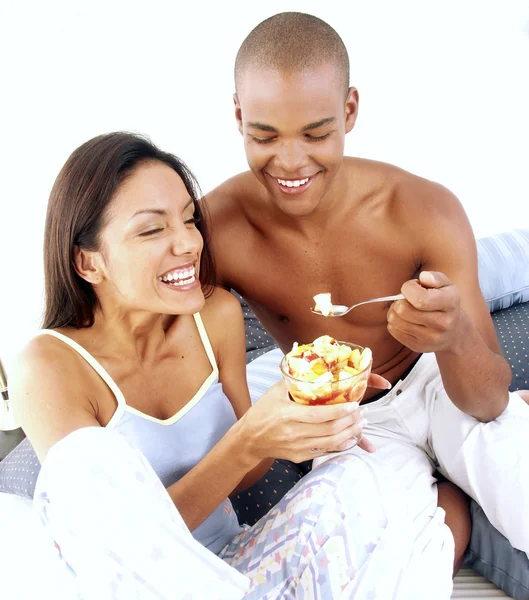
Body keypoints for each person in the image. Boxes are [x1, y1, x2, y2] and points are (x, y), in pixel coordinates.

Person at [10, 132, 441, 599]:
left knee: (364, 478)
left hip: (233, 567)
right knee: (82, 460)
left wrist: (296, 411)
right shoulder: (47, 368)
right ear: (88, 263)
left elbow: (249, 473)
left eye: (190, 220)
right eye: (153, 229)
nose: (188, 243)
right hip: (136, 589)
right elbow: (124, 551)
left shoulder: (214, 315)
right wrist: (248, 437)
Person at [204, 11, 529, 578]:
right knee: (381, 578)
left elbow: (487, 399)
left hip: (439, 384)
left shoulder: (423, 209)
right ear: (237, 114)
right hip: (351, 423)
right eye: (263, 135)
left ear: (350, 110)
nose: (290, 162)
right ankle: (451, 513)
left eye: (316, 133)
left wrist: (452, 338)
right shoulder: (218, 230)